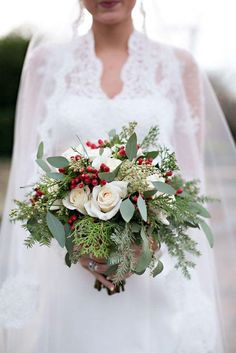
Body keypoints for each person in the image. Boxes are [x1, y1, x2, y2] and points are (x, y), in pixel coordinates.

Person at [0, 0, 235, 352]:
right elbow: (31, 172)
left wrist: (146, 243)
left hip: (155, 267)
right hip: (71, 265)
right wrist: (74, 240)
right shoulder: (45, 65)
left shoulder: (178, 66)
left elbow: (187, 179)